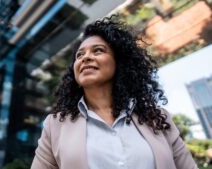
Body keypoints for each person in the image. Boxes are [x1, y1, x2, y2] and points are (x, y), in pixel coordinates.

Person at [31, 15, 198, 169]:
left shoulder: (157, 118)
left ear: (119, 63)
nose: (85, 58)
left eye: (98, 50)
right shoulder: (55, 125)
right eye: (79, 55)